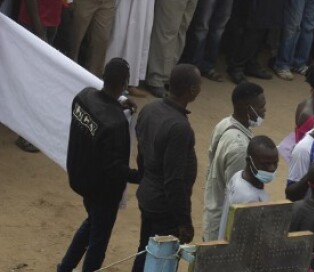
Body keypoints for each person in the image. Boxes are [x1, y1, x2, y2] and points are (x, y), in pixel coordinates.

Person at [59, 58, 137, 272]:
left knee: (92, 224)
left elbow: (95, 122)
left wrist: (117, 105)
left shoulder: (83, 97)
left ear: (103, 76)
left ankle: (64, 268)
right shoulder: (115, 123)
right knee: (98, 242)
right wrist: (141, 176)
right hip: (103, 191)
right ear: (125, 83)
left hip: (81, 178)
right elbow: (116, 168)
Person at [132, 64, 201, 272]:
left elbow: (141, 155)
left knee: (145, 249)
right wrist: (184, 222)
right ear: (192, 90)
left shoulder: (149, 109)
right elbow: (173, 181)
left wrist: (145, 182)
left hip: (148, 195)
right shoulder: (180, 128)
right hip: (164, 207)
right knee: (162, 260)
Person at [201, 82, 266, 240]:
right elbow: (236, 194)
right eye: (261, 107)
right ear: (248, 108)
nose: (264, 111)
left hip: (212, 212)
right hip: (222, 230)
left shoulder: (224, 124)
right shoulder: (240, 149)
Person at [218, 135, 278, 239]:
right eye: (265, 164)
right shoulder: (251, 200)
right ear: (249, 161)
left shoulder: (238, 175)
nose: (272, 168)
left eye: (275, 163)